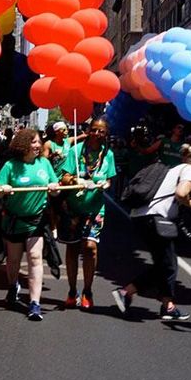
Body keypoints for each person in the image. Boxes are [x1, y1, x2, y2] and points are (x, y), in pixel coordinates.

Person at [112, 144, 191, 322]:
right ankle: (127, 292)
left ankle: (167, 304)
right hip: (155, 219)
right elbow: (180, 193)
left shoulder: (175, 168)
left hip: (141, 216)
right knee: (168, 264)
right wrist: (190, 203)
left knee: (165, 262)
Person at [0, 127, 60, 321]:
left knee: (35, 257)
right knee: (13, 260)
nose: (37, 145)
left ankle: (34, 303)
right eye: (33, 142)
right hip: (14, 220)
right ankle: (13, 285)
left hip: (36, 219)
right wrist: (2, 189)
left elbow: (55, 190)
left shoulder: (45, 164)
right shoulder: (10, 166)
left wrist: (54, 189)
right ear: (23, 144)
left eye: (39, 142)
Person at [58, 117, 116, 309]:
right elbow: (63, 176)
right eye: (94, 130)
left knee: (90, 248)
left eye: (102, 131)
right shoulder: (75, 151)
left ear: (106, 134)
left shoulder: (107, 155)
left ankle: (88, 291)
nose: (97, 134)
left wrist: (105, 184)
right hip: (74, 208)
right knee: (73, 249)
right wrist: (74, 180)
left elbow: (110, 179)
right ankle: (72, 290)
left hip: (94, 208)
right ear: (89, 130)